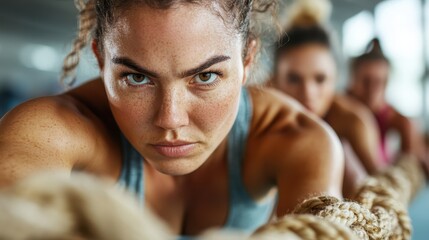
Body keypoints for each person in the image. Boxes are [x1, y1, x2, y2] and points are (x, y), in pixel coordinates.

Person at [0, 0, 344, 238]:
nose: (170, 119)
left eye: (205, 77)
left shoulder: (296, 139)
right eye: (137, 78)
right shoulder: (50, 131)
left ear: (247, 60)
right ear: (101, 61)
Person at [270, 0, 381, 198]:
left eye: (320, 79)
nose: (307, 93)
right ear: (274, 80)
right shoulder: (258, 116)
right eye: (294, 79)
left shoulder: (353, 123)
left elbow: (381, 190)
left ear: (335, 80)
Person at [348, 38, 427, 165]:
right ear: (353, 80)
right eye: (366, 82)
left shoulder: (395, 118)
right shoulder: (341, 110)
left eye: (378, 82)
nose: (372, 90)